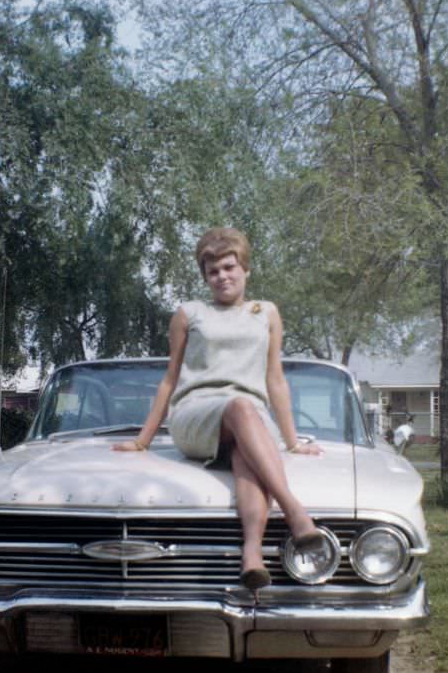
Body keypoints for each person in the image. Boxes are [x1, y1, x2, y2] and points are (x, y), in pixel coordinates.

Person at [113, 227, 325, 593]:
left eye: (229, 267)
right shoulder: (189, 313)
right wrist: (142, 440)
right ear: (205, 276)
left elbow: (275, 380)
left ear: (245, 269)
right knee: (241, 407)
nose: (222, 276)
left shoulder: (267, 313)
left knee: (247, 451)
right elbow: (170, 378)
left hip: (251, 422)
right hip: (196, 415)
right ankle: (294, 510)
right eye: (213, 271)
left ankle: (252, 556)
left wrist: (291, 442)